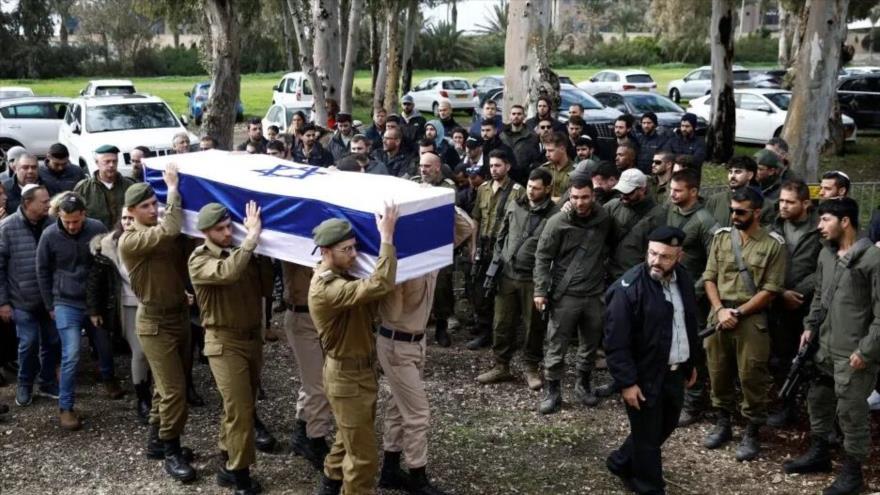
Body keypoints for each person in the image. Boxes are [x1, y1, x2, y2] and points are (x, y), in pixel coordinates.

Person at [782, 198, 879, 495]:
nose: (819, 226)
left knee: (852, 413)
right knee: (818, 399)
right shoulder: (827, 255)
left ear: (845, 222)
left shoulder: (871, 260)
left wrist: (866, 351)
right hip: (822, 347)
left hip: (853, 353)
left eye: (825, 220)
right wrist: (810, 328)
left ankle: (853, 473)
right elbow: (820, 298)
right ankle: (820, 452)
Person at [376, 208, 473, 495]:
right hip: (396, 344)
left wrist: (434, 202)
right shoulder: (396, 264)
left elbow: (466, 227)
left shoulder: (431, 253)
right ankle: (417, 476)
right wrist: (398, 272)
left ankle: (390, 470)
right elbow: (391, 313)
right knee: (418, 413)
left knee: (398, 406)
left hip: (416, 342)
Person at [308, 206, 399, 495]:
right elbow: (380, 283)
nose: (354, 255)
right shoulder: (327, 288)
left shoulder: (341, 276)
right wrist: (386, 237)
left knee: (348, 439)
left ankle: (329, 485)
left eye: (355, 247)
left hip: (359, 372)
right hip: (346, 377)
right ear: (325, 251)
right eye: (346, 249)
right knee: (362, 459)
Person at [604, 226, 702, 495]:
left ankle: (621, 461)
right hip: (644, 374)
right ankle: (649, 486)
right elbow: (616, 341)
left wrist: (690, 362)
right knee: (647, 438)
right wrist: (627, 383)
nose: (656, 261)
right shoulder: (628, 288)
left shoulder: (683, 278)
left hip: (675, 371)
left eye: (665, 256)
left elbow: (688, 323)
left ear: (679, 256)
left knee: (665, 425)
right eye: (652, 253)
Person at [118, 166, 197, 482]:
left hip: (178, 315)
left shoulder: (158, 231)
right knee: (174, 390)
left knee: (167, 391)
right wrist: (174, 190)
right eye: (146, 206)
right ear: (132, 212)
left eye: (155, 203)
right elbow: (171, 229)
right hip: (154, 324)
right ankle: (171, 449)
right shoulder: (132, 240)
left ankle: (156, 441)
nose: (153, 209)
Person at [188, 201, 272, 494]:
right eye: (220, 229)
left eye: (229, 227)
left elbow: (264, 287)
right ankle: (240, 476)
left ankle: (226, 460)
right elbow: (226, 273)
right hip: (224, 342)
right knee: (240, 410)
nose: (227, 233)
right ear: (206, 233)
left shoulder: (242, 254)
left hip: (250, 339)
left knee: (240, 405)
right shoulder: (199, 259)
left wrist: (261, 253)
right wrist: (251, 240)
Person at [702, 186, 786, 462]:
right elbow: (710, 277)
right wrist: (719, 309)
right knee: (718, 371)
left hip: (750, 317)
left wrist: (735, 313)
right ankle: (723, 421)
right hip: (719, 313)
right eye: (732, 210)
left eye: (741, 211)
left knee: (752, 375)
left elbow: (770, 290)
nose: (735, 215)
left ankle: (752, 430)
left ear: (757, 212)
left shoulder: (773, 244)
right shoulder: (722, 238)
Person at [533, 176, 612, 414]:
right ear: (569, 196)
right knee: (557, 343)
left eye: (585, 197)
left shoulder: (604, 219)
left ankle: (583, 383)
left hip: (594, 293)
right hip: (565, 294)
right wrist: (540, 290)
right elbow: (542, 256)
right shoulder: (557, 222)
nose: (580, 202)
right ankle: (553, 390)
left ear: (593, 196)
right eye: (575, 197)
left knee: (590, 342)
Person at [36, 192, 110, 430]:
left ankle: (109, 378)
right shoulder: (49, 235)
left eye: (76, 221)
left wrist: (101, 303)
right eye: (67, 221)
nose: (71, 226)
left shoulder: (97, 228)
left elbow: (105, 265)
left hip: (93, 300)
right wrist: (50, 304)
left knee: (104, 343)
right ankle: (66, 407)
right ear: (59, 215)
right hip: (65, 301)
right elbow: (42, 271)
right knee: (71, 354)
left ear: (84, 215)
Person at [476, 168, 556, 390]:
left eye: (537, 188)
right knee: (501, 322)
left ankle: (531, 367)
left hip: (533, 279)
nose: (531, 191)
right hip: (508, 275)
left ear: (548, 188)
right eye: (529, 186)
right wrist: (499, 259)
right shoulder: (516, 205)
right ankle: (501, 365)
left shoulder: (554, 214)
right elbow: (502, 235)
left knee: (534, 326)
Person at [88, 207, 152, 424]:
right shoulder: (107, 246)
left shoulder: (150, 241)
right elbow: (96, 280)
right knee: (140, 352)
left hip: (154, 303)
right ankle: (143, 399)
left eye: (131, 218)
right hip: (128, 305)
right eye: (124, 217)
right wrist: (95, 309)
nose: (127, 221)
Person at [766, 179, 821, 428]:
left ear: (806, 203)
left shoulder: (819, 228)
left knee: (805, 360)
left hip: (807, 305)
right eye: (781, 201)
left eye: (790, 202)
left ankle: (807, 412)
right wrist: (780, 292)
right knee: (779, 358)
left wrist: (797, 292)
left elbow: (824, 267)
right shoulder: (773, 226)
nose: (784, 206)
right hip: (777, 302)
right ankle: (783, 406)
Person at [0, 184, 60, 407]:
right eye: (44, 202)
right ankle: (24, 384)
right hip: (21, 300)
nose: (49, 205)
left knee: (52, 341)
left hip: (49, 300)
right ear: (28, 203)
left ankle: (47, 381)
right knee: (29, 342)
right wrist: (3, 302)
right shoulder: (7, 228)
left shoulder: (53, 224)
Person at [467, 150, 525, 350]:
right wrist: (473, 245)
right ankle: (485, 331)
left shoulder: (518, 191)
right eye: (491, 166)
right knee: (481, 290)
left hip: (505, 248)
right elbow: (476, 218)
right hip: (484, 245)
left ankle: (506, 335)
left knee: (504, 292)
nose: (493, 169)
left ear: (507, 167)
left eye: (498, 165)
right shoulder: (483, 188)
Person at [281, 260, 333, 471]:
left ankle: (303, 431)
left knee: (312, 380)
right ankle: (316, 440)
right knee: (317, 385)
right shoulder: (293, 242)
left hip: (322, 316)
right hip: (302, 315)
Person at [606, 168, 664, 282]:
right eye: (621, 191)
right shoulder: (613, 206)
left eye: (628, 192)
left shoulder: (658, 215)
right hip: (608, 272)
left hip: (634, 277)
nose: (623, 196)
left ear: (642, 190)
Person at [74, 144, 134, 230]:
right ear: (97, 163)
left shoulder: (129, 186)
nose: (111, 165)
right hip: (95, 237)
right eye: (107, 161)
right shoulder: (83, 188)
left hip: (124, 236)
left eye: (114, 161)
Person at [704, 155, 756, 228]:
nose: (732, 176)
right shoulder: (714, 200)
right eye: (730, 172)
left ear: (750, 175)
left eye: (738, 172)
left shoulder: (760, 203)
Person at [499, 105, 542, 185]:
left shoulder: (532, 136)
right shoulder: (502, 136)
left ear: (524, 116)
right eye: (514, 114)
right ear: (510, 116)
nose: (516, 116)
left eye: (519, 114)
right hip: (504, 176)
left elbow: (536, 158)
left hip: (524, 179)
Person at [539, 132, 575, 203]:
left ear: (562, 149)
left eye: (551, 150)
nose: (547, 154)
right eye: (546, 150)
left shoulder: (576, 171)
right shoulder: (543, 169)